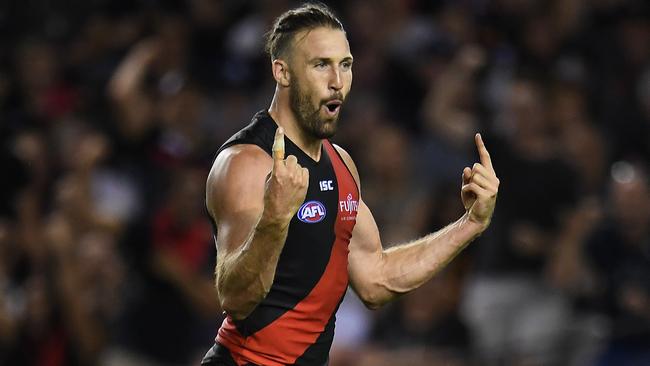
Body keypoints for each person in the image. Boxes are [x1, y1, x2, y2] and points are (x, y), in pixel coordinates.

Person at [202, 4, 499, 366]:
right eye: (320, 65)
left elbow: (376, 279)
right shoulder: (245, 163)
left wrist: (470, 223)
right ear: (282, 72)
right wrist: (275, 219)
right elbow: (234, 297)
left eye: (345, 65)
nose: (337, 82)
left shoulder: (341, 163)